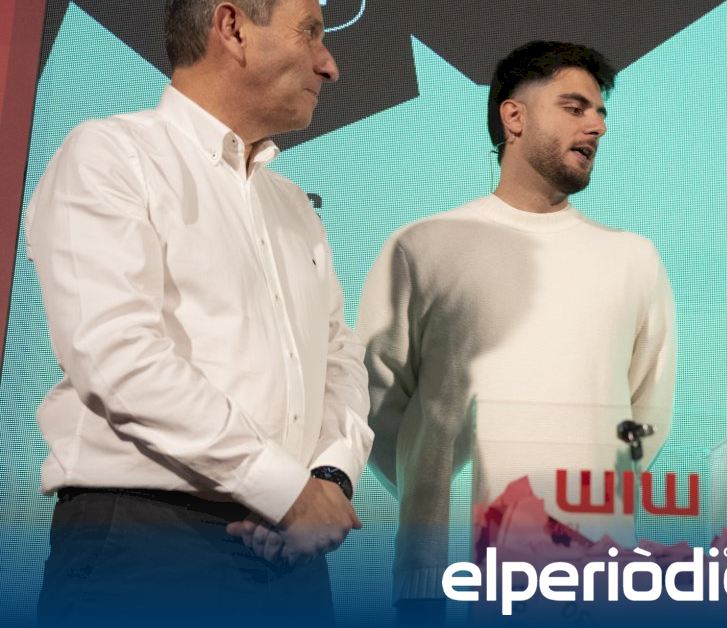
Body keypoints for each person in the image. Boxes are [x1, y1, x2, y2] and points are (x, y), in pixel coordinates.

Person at [25, 1, 372, 625]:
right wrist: (286, 489)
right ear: (232, 28)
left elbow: (337, 355)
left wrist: (329, 476)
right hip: (147, 549)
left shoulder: (292, 205)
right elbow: (117, 357)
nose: (330, 66)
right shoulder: (112, 155)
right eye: (310, 34)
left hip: (293, 555)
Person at [358, 41, 676, 622]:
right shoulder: (423, 245)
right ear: (514, 116)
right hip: (448, 578)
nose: (597, 126)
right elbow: (375, 404)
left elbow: (645, 414)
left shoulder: (634, 258)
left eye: (600, 113)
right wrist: (435, 496)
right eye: (575, 108)